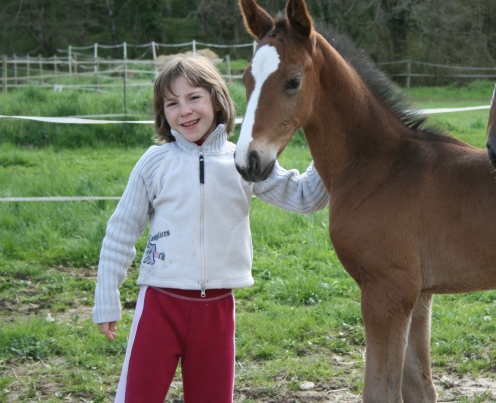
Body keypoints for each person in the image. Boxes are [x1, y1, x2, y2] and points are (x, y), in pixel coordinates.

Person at [92, 52, 328, 403]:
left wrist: (330, 150)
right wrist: (106, 298)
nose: (184, 110)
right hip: (159, 305)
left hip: (217, 311)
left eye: (194, 97)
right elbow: (121, 232)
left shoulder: (242, 160)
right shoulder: (154, 163)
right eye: (172, 103)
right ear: (163, 112)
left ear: (217, 100)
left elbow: (305, 197)